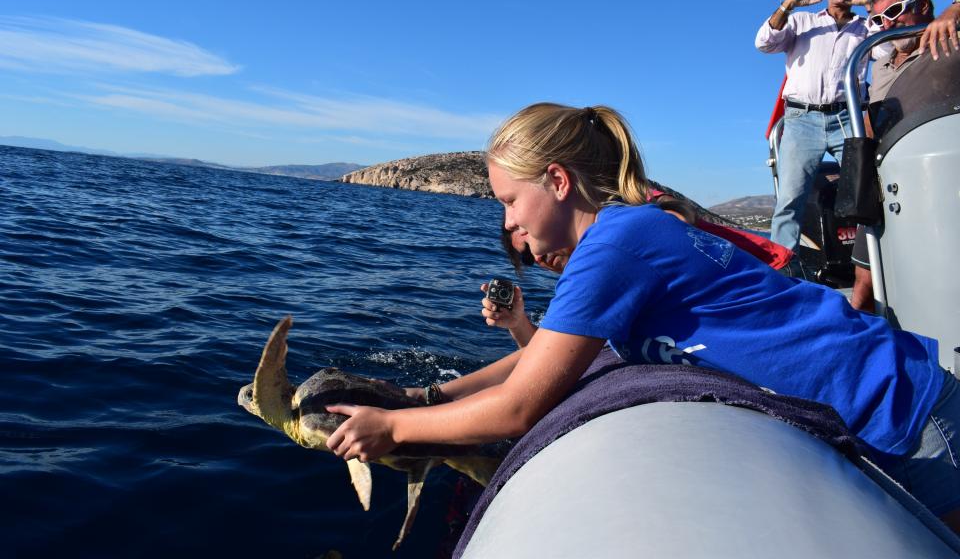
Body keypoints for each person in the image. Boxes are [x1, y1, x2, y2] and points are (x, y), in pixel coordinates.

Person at [325, 103, 960, 529]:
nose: (509, 224)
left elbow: (522, 405)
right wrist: (426, 394)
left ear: (557, 180)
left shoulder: (616, 244)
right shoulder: (627, 232)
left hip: (902, 411)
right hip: (892, 400)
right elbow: (543, 356)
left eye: (511, 201)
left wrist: (397, 428)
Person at [756, 0, 870, 251]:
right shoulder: (802, 21)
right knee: (790, 200)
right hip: (802, 119)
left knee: (867, 192)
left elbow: (885, 51)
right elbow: (764, 43)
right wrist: (789, 4)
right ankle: (782, 272)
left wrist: (870, 5)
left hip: (848, 118)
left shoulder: (867, 27)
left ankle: (874, 264)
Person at [849, 0, 946, 311]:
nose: (885, 25)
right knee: (864, 281)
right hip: (885, 179)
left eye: (892, 13)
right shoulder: (882, 66)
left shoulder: (950, 41)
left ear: (922, 5)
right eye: (877, 19)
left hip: (935, 179)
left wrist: (954, 12)